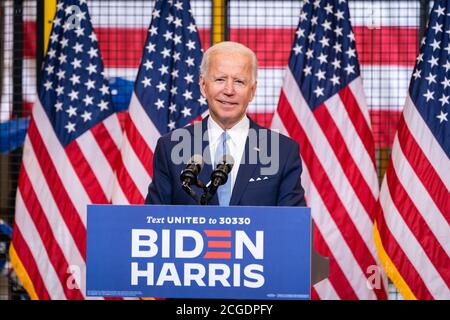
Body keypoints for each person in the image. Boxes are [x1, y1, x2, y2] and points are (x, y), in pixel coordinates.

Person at [145, 41, 306, 206]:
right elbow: (153, 220)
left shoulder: (282, 151)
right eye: (220, 79)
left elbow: (292, 225)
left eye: (239, 82)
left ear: (252, 91)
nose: (229, 91)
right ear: (203, 85)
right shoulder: (170, 147)